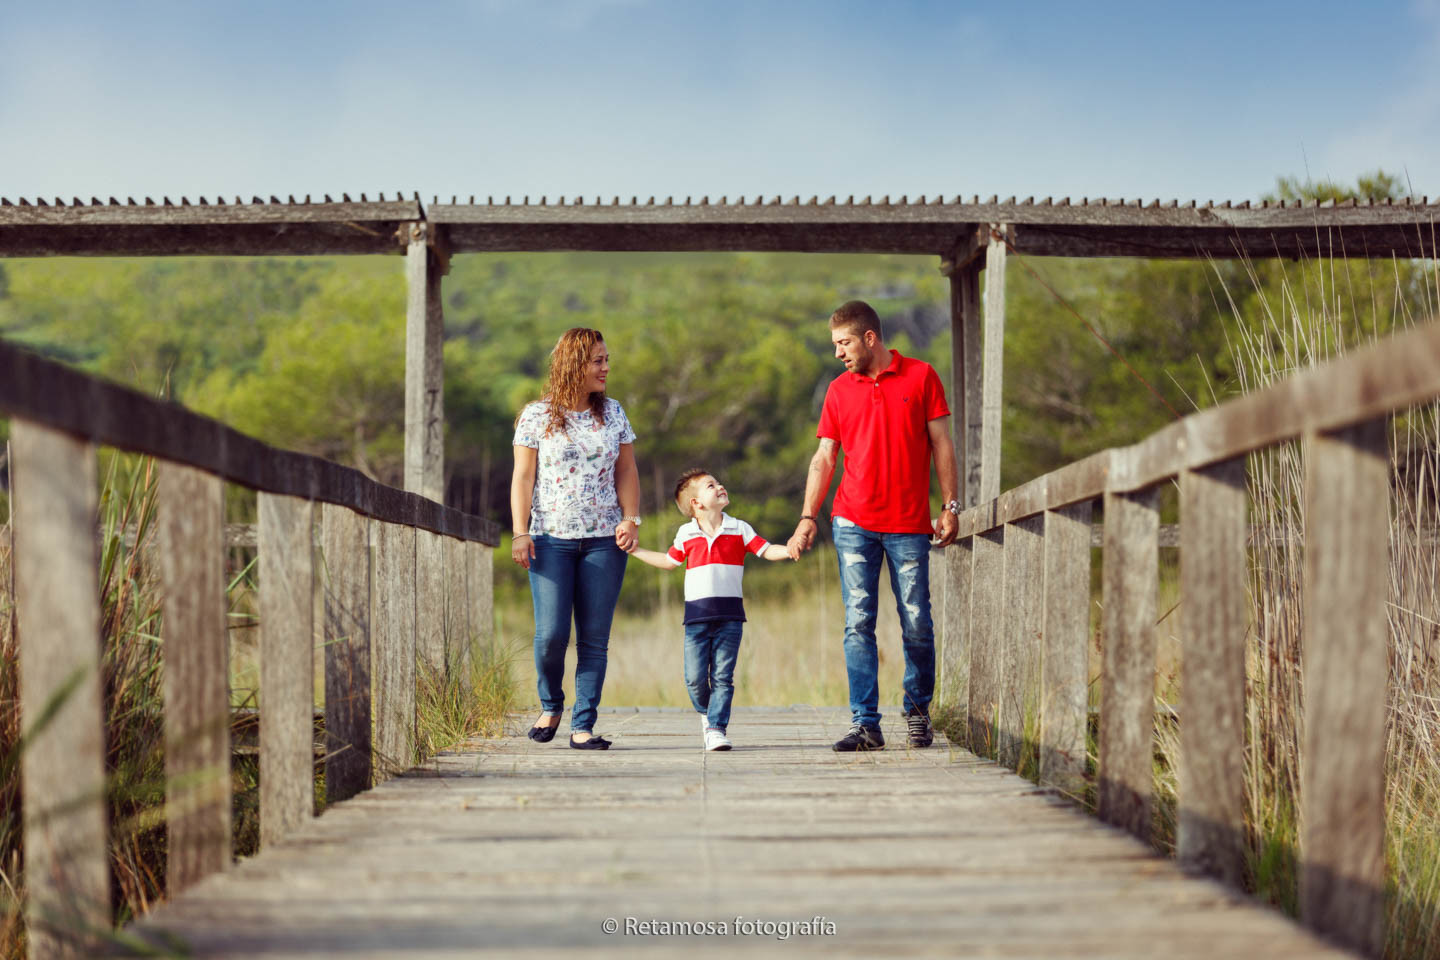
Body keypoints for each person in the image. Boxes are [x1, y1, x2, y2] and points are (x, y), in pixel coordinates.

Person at [786, 300, 960, 751]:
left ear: (869, 338)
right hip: (853, 523)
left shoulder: (922, 376)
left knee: (917, 621)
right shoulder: (839, 390)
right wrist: (808, 516)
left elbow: (942, 443)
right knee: (858, 623)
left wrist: (950, 505)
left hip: (908, 524)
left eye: (844, 343)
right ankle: (866, 724)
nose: (838, 353)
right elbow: (825, 457)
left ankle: (918, 713)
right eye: (834, 345)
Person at [511, 327, 642, 750]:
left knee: (593, 638)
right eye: (597, 361)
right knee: (550, 634)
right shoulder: (536, 415)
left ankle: (582, 725)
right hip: (550, 538)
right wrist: (520, 532)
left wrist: (631, 518)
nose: (606, 368)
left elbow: (626, 470)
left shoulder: (614, 412)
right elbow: (524, 477)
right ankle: (551, 704)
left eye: (607, 360)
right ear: (574, 364)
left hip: (605, 540)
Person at [627, 469, 793, 751]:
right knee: (694, 679)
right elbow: (669, 561)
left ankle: (716, 728)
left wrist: (789, 549)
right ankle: (707, 714)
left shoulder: (740, 528)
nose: (720, 486)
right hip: (696, 619)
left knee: (723, 677)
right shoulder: (686, 533)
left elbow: (766, 550)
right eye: (710, 485)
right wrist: (635, 551)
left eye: (718, 483)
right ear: (696, 503)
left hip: (731, 618)